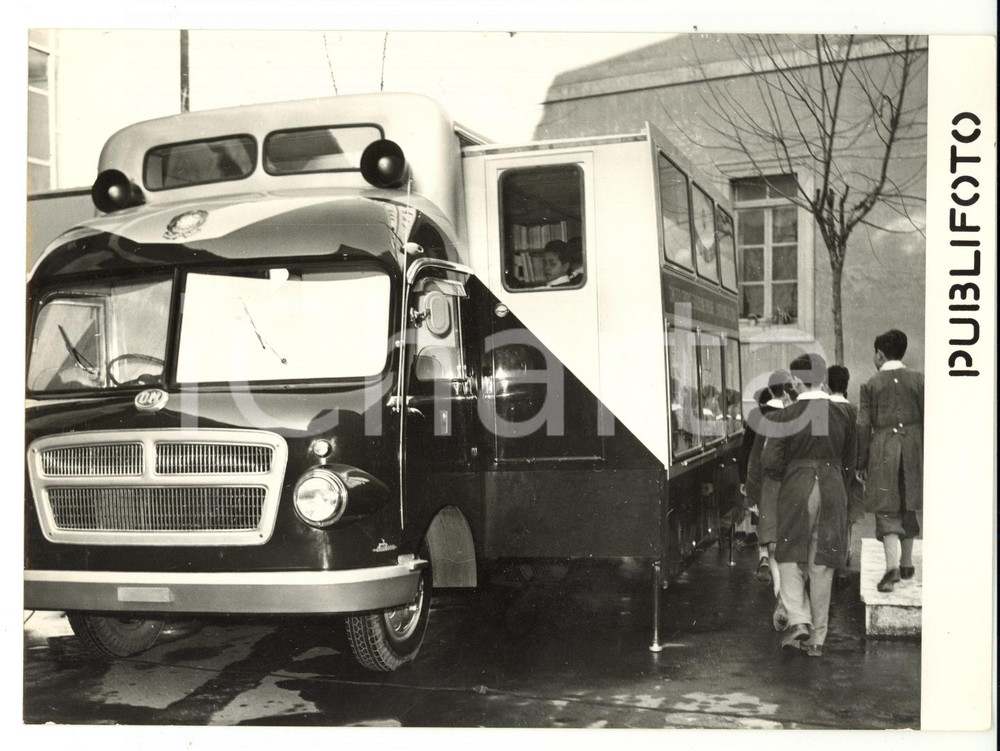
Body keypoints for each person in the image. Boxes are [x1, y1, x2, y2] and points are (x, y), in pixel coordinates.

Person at [761, 353, 855, 658]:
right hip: (832, 487)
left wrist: (790, 472)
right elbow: (851, 460)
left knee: (788, 556)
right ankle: (817, 639)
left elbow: (769, 462)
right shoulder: (844, 414)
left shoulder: (784, 417)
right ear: (824, 379)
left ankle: (799, 619)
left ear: (798, 381)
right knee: (822, 563)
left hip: (797, 488)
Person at [855, 329, 923, 593]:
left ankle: (891, 567)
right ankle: (906, 564)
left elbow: (863, 425)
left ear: (880, 355)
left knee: (886, 507)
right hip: (914, 450)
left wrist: (861, 462)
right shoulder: (920, 380)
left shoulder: (871, 385)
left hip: (883, 451)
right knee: (908, 504)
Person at [738, 369, 793, 630]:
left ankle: (780, 595)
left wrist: (750, 491)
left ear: (770, 390)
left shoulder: (761, 418)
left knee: (771, 542)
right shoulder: (797, 416)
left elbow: (753, 457)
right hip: (795, 487)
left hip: (768, 487)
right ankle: (792, 600)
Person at [827, 364, 863, 584]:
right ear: (847, 385)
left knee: (828, 520)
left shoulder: (821, 412)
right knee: (847, 521)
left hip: (828, 472)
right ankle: (843, 558)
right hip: (849, 475)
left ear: (826, 384)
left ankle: (830, 561)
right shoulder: (855, 412)